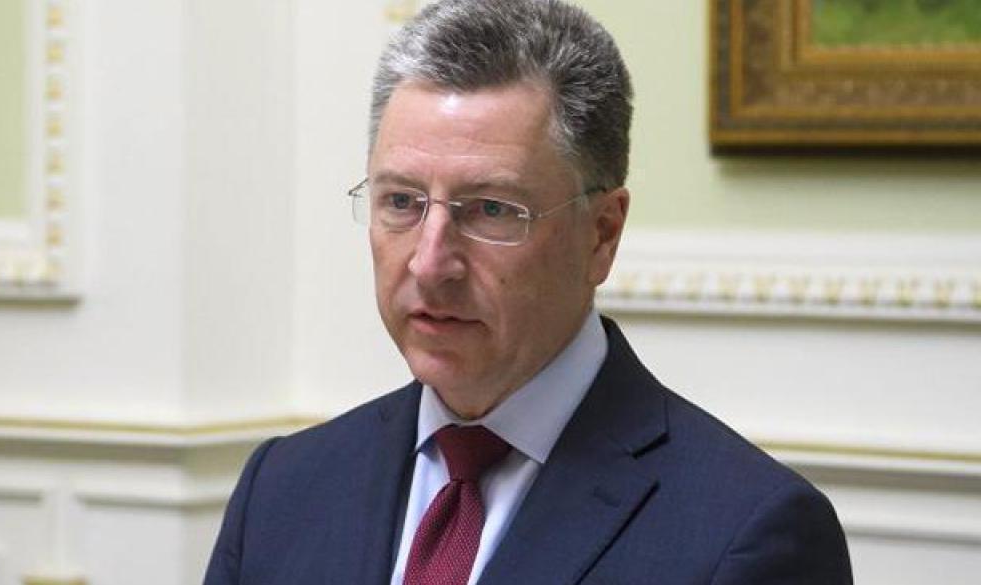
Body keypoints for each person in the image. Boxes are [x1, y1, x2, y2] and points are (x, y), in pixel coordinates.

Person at [204, 0, 854, 583]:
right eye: (401, 201)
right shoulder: (282, 488)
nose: (430, 263)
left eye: (491, 209)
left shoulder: (747, 535)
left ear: (602, 234)